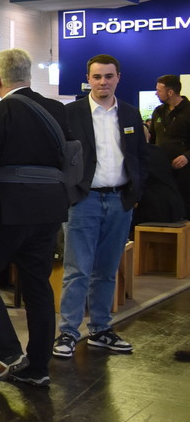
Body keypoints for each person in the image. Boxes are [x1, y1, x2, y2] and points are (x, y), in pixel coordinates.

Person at [0, 48, 70, 387]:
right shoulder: (56, 110)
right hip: (49, 209)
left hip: (5, 211)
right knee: (37, 285)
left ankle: (9, 352)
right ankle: (38, 368)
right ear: (29, 75)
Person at [54, 55, 147, 363]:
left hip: (120, 201)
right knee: (77, 270)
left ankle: (100, 329)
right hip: (84, 201)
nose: (103, 82)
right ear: (88, 79)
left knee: (107, 271)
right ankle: (68, 332)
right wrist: (70, 193)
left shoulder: (130, 113)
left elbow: (140, 156)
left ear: (118, 77)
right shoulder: (70, 114)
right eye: (97, 77)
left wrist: (134, 193)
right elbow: (59, 158)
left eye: (108, 76)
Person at [149, 74, 190, 210]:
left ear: (170, 92)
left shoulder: (188, 111)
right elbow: (152, 138)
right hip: (162, 169)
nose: (156, 93)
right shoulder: (158, 111)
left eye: (159, 90)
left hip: (184, 171)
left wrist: (187, 157)